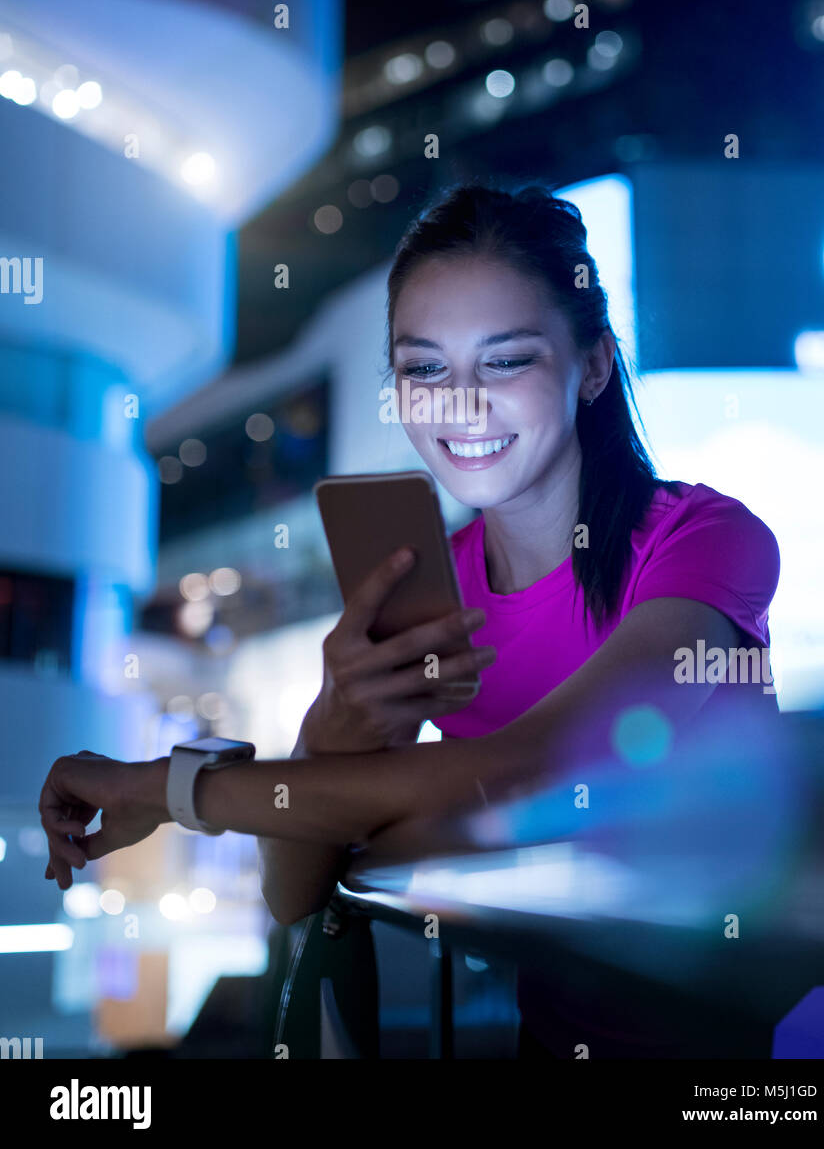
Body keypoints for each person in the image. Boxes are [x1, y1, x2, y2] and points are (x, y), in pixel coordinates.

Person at [39, 182, 780, 1057]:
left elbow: (532, 770)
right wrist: (335, 722)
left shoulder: (704, 538)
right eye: (424, 368)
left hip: (749, 1045)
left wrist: (166, 789)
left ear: (590, 365)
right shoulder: (425, 582)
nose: (458, 405)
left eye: (505, 361)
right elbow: (293, 891)